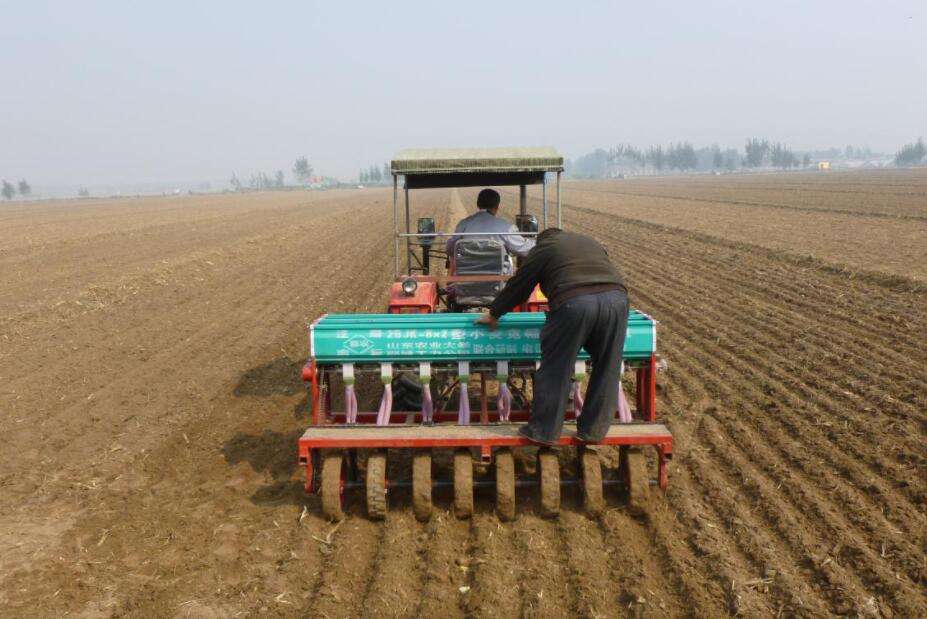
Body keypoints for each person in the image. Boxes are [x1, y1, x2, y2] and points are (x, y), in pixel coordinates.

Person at [475, 228, 629, 445]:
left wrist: (494, 313)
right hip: (617, 300)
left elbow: (521, 285)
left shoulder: (544, 248)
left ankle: (544, 431)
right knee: (608, 365)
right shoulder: (588, 240)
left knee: (557, 366)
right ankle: (593, 431)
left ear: (541, 241)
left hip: (575, 303)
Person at [445, 188, 534, 274]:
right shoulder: (506, 227)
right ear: (497, 206)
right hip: (500, 284)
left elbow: (450, 250)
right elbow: (525, 249)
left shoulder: (463, 224)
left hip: (466, 282)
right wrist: (538, 242)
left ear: (478, 204)